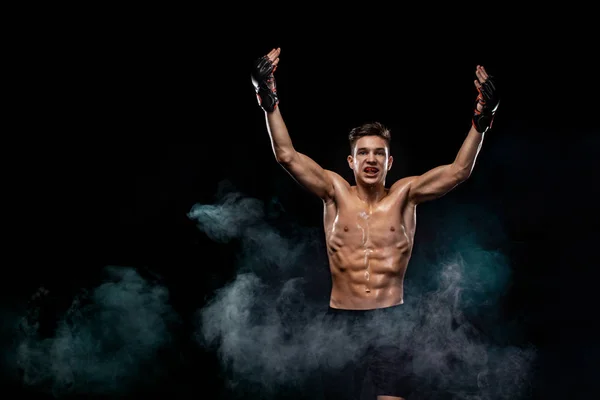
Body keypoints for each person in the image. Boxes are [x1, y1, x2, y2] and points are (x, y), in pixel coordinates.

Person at [251, 47, 499, 400]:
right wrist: (268, 100)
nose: (371, 159)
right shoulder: (333, 192)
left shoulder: (406, 194)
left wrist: (483, 117)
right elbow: (285, 155)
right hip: (338, 321)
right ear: (350, 161)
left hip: (391, 323)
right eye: (364, 153)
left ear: (389, 161)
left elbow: (459, 171)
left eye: (379, 153)